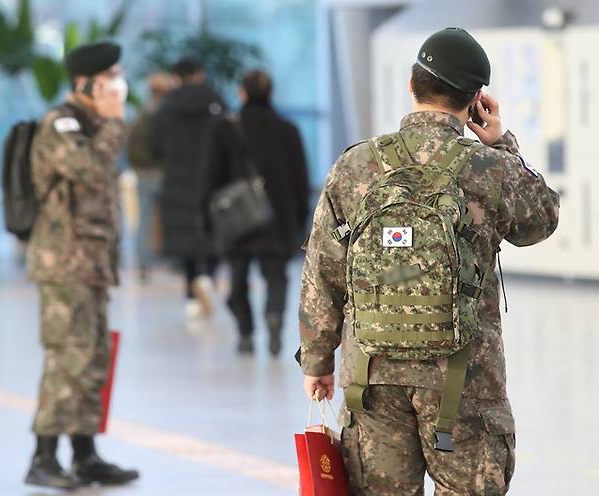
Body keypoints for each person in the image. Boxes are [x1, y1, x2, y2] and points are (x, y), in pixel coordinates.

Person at [299, 28, 559, 495]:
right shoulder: (488, 168)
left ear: (411, 84)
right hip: (464, 380)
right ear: (476, 99)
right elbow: (541, 220)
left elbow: (323, 270)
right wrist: (503, 144)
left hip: (371, 378)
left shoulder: (355, 167)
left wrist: (317, 359)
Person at [25, 42, 139, 490]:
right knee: (66, 358)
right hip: (64, 264)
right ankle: (43, 456)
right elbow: (89, 168)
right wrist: (113, 122)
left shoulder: (92, 124)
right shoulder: (61, 124)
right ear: (84, 83)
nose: (116, 84)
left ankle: (84, 454)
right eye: (109, 76)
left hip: (89, 264)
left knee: (92, 358)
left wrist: (108, 122)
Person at [204, 70, 310, 355]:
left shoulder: (225, 128)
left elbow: (212, 177)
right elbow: (300, 179)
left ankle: (246, 334)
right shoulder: (288, 129)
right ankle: (274, 314)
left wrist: (208, 218)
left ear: (242, 93)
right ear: (270, 94)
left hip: (237, 217)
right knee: (276, 276)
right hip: (278, 217)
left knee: (238, 279)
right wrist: (300, 219)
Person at [147, 58, 225, 319]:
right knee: (212, 229)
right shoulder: (216, 102)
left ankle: (192, 292)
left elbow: (154, 145)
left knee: (184, 235)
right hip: (213, 178)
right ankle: (209, 276)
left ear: (176, 77)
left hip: (177, 179)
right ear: (200, 74)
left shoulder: (167, 107)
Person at [127, 72, 175, 283]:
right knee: (169, 217)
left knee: (144, 219)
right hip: (163, 171)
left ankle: (143, 262)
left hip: (142, 172)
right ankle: (173, 259)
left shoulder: (141, 113)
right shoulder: (168, 113)